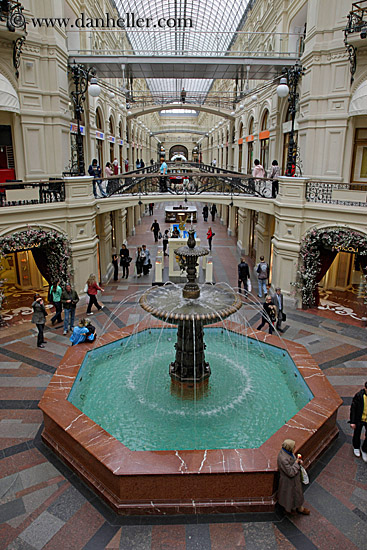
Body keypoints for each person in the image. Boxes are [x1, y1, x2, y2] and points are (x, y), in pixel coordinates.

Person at [277, 439, 310, 515]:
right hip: (288, 482)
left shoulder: (288, 453)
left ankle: (299, 508)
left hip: (294, 481)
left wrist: (297, 462)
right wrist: (296, 463)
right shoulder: (283, 459)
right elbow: (290, 472)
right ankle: (289, 510)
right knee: (289, 497)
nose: (295, 447)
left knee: (297, 495)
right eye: (293, 446)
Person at [349, 382, 367, 462]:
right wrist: (353, 422)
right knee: (357, 433)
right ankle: (356, 447)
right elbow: (353, 409)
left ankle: (365, 449)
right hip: (359, 419)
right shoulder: (359, 396)